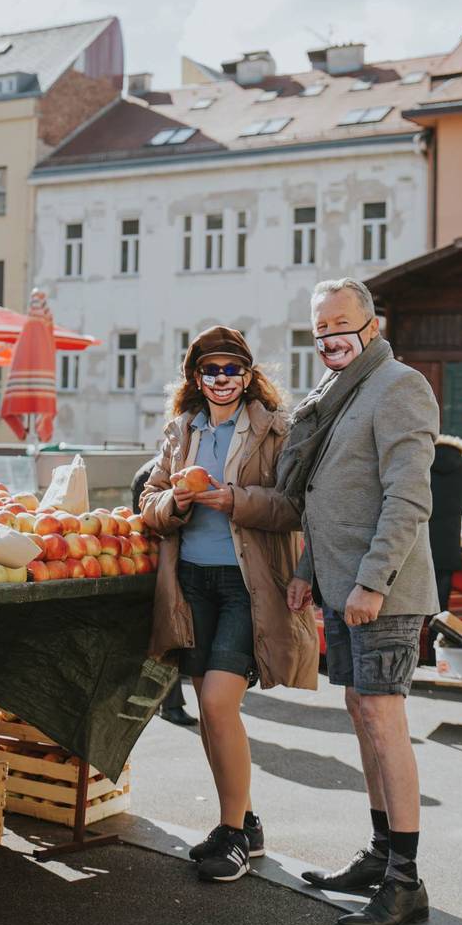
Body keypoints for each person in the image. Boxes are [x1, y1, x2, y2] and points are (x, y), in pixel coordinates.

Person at [281, 277, 439, 925]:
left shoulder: (397, 385)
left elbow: (407, 499)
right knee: (360, 711)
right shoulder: (340, 396)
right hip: (344, 589)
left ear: (372, 323)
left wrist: (372, 582)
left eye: (340, 323)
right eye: (320, 329)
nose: (330, 337)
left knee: (383, 718)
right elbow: (329, 494)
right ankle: (380, 855)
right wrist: (306, 570)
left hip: (384, 591)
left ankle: (406, 880)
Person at [141, 327, 317, 884]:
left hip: (248, 584)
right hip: (192, 582)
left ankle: (234, 834)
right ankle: (241, 821)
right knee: (212, 712)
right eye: (210, 370)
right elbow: (149, 500)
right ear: (196, 378)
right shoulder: (182, 430)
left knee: (218, 702)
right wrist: (177, 500)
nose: (221, 379)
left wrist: (235, 500)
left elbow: (295, 505)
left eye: (231, 369)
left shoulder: (274, 429)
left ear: (248, 375)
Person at [131, 456, 197, 727]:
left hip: (163, 559)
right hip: (165, 560)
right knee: (166, 634)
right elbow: (151, 521)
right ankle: (169, 703)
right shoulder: (155, 473)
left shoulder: (152, 469)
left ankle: (169, 702)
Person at [428, 434, 462, 614]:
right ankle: (436, 632)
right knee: (442, 595)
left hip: (421, 539)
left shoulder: (423, 465)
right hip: (449, 541)